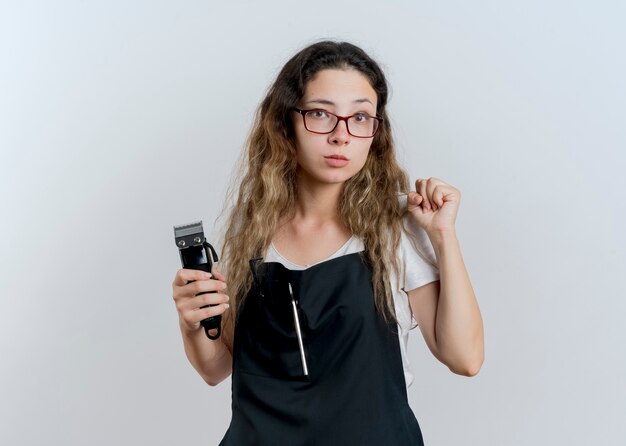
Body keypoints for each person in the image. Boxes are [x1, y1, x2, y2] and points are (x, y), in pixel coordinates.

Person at [171, 40, 484, 445]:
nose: (341, 135)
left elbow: (465, 358)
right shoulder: (250, 231)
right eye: (321, 114)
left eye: (359, 117)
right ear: (287, 122)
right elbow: (216, 368)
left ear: (376, 131)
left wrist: (443, 237)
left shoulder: (397, 228)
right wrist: (193, 321)